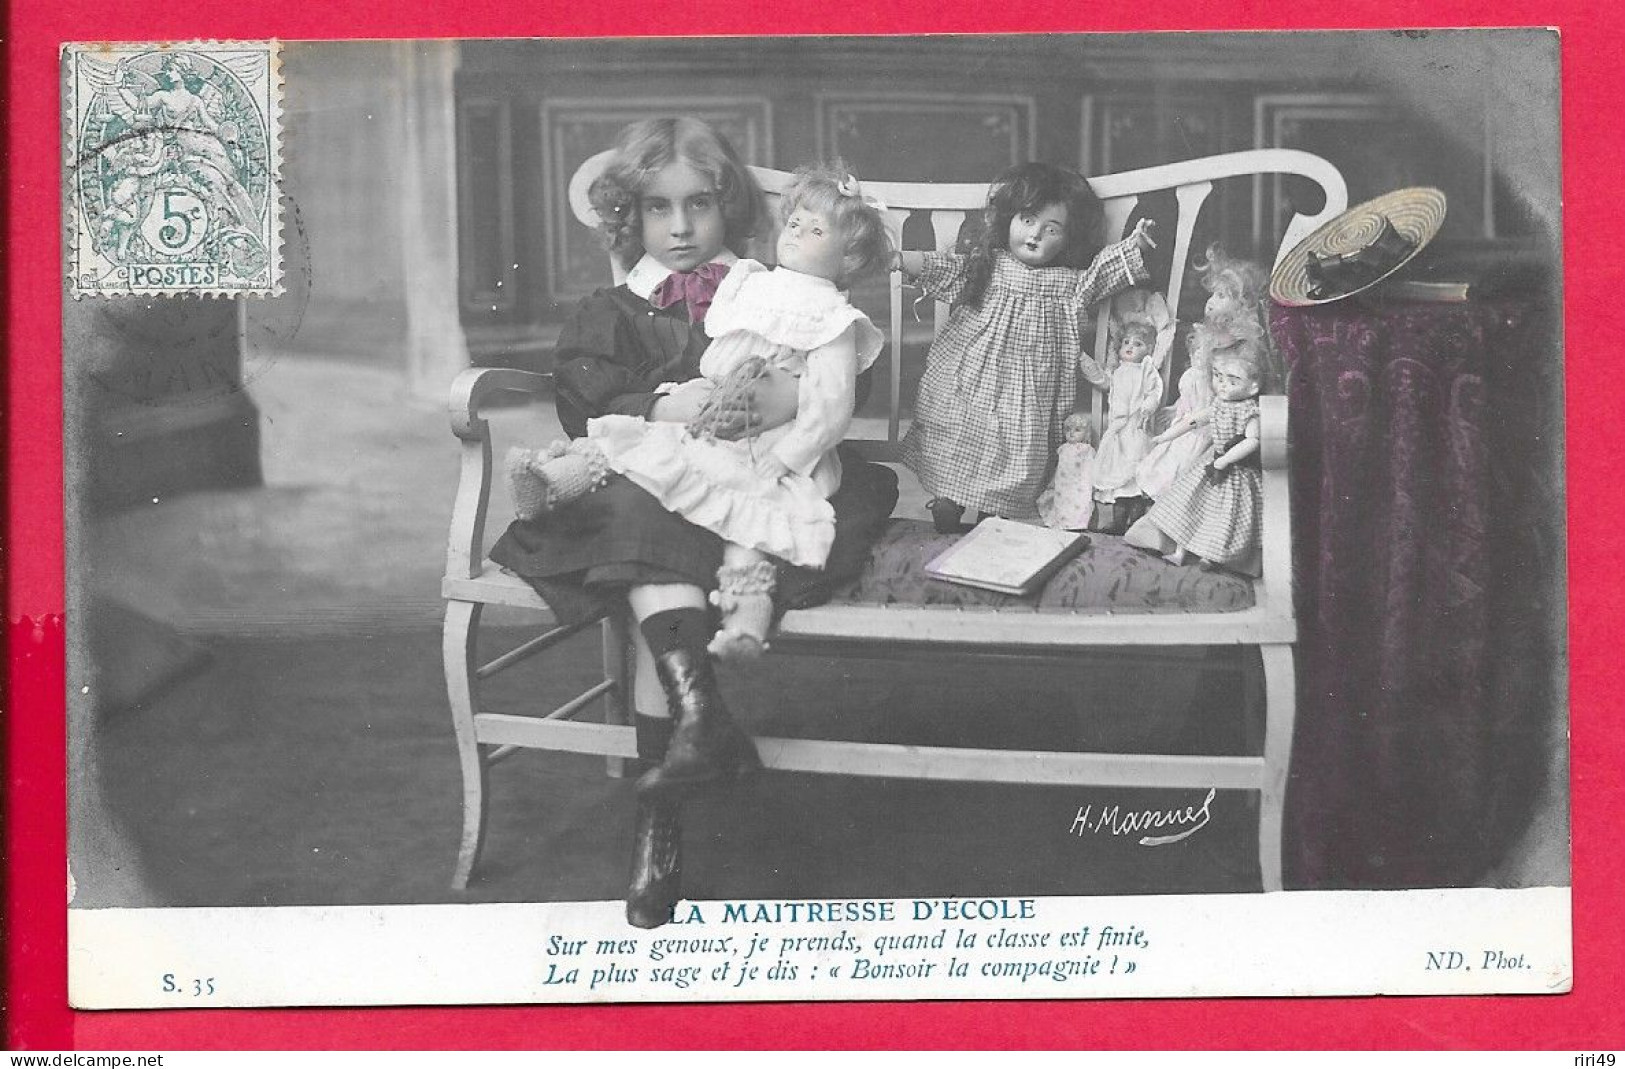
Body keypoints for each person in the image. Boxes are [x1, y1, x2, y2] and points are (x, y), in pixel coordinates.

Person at [487, 118, 898, 929]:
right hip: (656, 481)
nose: (679, 229)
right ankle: (686, 761)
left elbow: (827, 380)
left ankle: (687, 764)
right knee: (644, 520)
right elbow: (585, 397)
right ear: (628, 220)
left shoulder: (761, 285)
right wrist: (663, 401)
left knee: (669, 544)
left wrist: (782, 401)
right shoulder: (614, 306)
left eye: (700, 206)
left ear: (729, 207)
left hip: (759, 478)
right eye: (655, 210)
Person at [509, 164, 891, 661]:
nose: (681, 228)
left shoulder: (817, 311)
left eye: (700, 205)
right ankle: (555, 481)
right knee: (636, 445)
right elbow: (696, 359)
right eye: (794, 223)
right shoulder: (736, 286)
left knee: (751, 522)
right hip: (701, 425)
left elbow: (835, 397)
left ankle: (742, 626)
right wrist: (676, 397)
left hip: (764, 448)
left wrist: (790, 426)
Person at [894, 161, 1156, 532]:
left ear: (1068, 238)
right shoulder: (990, 266)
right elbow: (949, 270)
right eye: (1028, 220)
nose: (1036, 235)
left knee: (1021, 447)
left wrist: (1134, 246)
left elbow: (1101, 273)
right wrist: (906, 260)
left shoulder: (1068, 283)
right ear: (1008, 220)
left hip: (1028, 388)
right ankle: (948, 500)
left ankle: (994, 512)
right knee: (956, 430)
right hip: (972, 376)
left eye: (1052, 229)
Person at [1124, 345, 1266, 575]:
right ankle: (1179, 551)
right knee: (1187, 506)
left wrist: (1226, 460)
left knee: (1224, 516)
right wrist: (1164, 436)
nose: (1222, 385)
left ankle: (1211, 556)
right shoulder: (1219, 405)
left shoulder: (1250, 412)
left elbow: (1253, 441)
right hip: (1210, 464)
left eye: (1232, 381)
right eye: (1218, 377)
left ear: (1253, 387)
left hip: (1235, 471)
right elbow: (1193, 421)